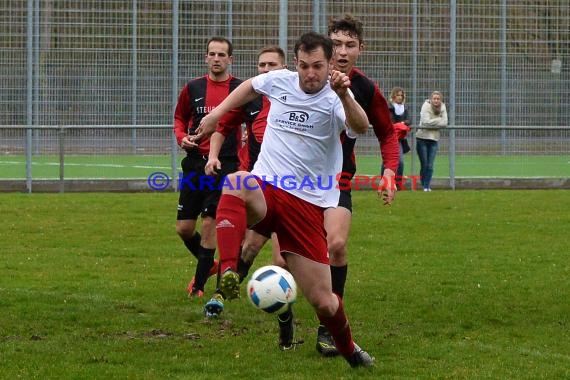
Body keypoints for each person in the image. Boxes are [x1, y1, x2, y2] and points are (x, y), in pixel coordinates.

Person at [194, 31, 375, 368]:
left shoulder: (336, 95)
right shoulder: (281, 80)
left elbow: (361, 126)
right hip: (267, 188)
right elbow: (249, 86)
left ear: (328, 63)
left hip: (306, 204)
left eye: (318, 66)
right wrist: (217, 113)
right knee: (235, 181)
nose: (311, 74)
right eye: (304, 66)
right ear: (295, 63)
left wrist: (345, 95)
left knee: (325, 301)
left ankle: (350, 350)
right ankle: (230, 273)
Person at [173, 36, 247, 298]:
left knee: (209, 224)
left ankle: (200, 287)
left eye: (221, 55)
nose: (216, 59)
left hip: (223, 165)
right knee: (183, 228)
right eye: (212, 54)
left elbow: (253, 117)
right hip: (194, 164)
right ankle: (212, 265)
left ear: (230, 59)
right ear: (206, 57)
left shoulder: (239, 88)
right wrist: (181, 136)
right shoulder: (192, 88)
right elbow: (180, 117)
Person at [416, 90, 448, 191]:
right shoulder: (425, 106)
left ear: (441, 100)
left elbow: (445, 122)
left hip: (434, 139)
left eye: (438, 99)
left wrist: (434, 122)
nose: (436, 100)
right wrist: (438, 120)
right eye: (434, 98)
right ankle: (423, 183)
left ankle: (426, 186)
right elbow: (425, 122)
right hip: (422, 139)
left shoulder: (443, 107)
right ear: (431, 99)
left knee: (430, 165)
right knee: (424, 164)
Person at [382, 87, 411, 185]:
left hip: (401, 139)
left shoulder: (405, 108)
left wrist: (401, 123)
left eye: (401, 95)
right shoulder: (389, 107)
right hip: (390, 137)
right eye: (398, 95)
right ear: (394, 96)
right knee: (387, 160)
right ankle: (384, 181)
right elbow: (391, 121)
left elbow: (408, 121)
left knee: (400, 161)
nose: (400, 97)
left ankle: (397, 183)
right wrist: (401, 124)